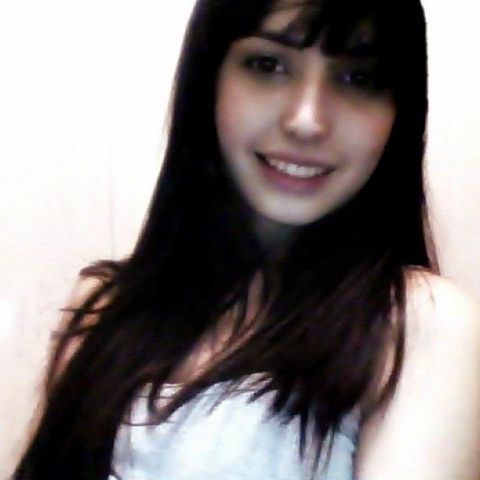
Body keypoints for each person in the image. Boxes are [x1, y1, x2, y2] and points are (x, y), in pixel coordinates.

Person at [13, 0, 480, 478]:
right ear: (209, 81)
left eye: (359, 78)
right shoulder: (104, 309)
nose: (307, 121)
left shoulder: (419, 327)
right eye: (268, 65)